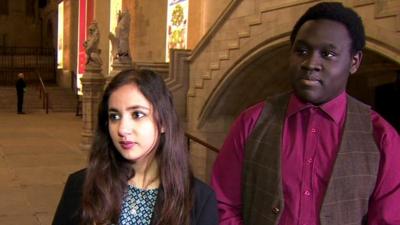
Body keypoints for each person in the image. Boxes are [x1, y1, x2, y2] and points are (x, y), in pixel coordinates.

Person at [211, 2, 400, 225]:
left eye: (328, 54)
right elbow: (222, 205)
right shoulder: (251, 122)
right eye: (301, 51)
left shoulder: (382, 137)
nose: (310, 63)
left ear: (354, 62)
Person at [52, 69, 218, 225]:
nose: (123, 129)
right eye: (114, 116)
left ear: (163, 122)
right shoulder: (81, 186)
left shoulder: (198, 199)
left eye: (137, 114)